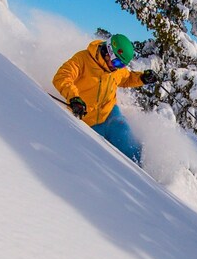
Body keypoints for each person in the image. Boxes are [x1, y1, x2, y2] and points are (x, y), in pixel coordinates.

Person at [52, 34, 157, 163]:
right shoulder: (83, 59)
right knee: (99, 157)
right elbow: (62, 77)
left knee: (127, 144)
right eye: (117, 62)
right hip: (87, 119)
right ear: (108, 51)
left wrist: (142, 78)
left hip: (110, 112)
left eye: (121, 65)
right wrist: (74, 98)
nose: (116, 67)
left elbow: (126, 78)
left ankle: (141, 173)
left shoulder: (115, 69)